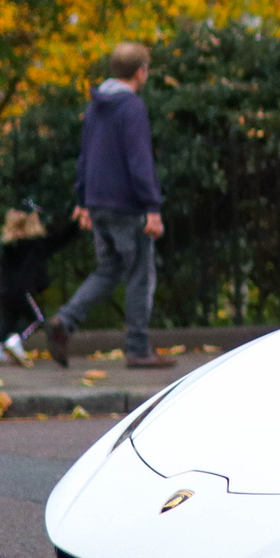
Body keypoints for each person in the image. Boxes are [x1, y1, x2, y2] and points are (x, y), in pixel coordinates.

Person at [47, 41, 166, 368]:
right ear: (141, 72)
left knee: (110, 269)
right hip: (127, 206)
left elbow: (86, 156)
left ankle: (64, 321)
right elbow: (140, 161)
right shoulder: (132, 108)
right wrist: (152, 208)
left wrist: (83, 201)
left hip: (98, 202)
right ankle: (138, 348)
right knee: (140, 274)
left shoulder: (97, 106)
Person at [0, 201, 81, 365]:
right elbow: (59, 239)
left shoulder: (6, 245)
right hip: (22, 290)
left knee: (8, 320)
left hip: (4, 290)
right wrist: (75, 224)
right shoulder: (35, 244)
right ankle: (16, 339)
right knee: (36, 318)